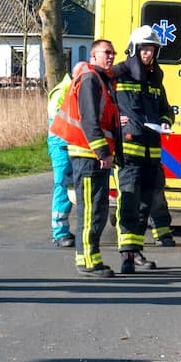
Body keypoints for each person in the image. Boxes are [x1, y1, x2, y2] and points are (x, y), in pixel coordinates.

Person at [51, 39, 121, 277]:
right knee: (91, 210)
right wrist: (103, 152)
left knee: (98, 210)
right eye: (106, 53)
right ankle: (88, 261)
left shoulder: (102, 79)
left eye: (113, 53)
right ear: (93, 56)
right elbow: (89, 120)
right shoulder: (91, 79)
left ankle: (91, 258)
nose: (111, 57)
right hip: (88, 155)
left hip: (93, 155)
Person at [112, 25, 175, 273]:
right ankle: (126, 256)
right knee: (128, 202)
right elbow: (102, 103)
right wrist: (116, 117)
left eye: (152, 50)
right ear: (134, 49)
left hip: (151, 153)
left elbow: (166, 109)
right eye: (144, 49)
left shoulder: (155, 79)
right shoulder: (118, 74)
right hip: (129, 153)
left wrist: (165, 121)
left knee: (144, 205)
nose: (148, 54)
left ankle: (136, 251)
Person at [46, 62, 90, 249]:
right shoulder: (62, 91)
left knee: (74, 187)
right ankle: (59, 233)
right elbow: (61, 122)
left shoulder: (75, 89)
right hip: (61, 143)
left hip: (74, 142)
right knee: (63, 185)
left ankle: (66, 230)